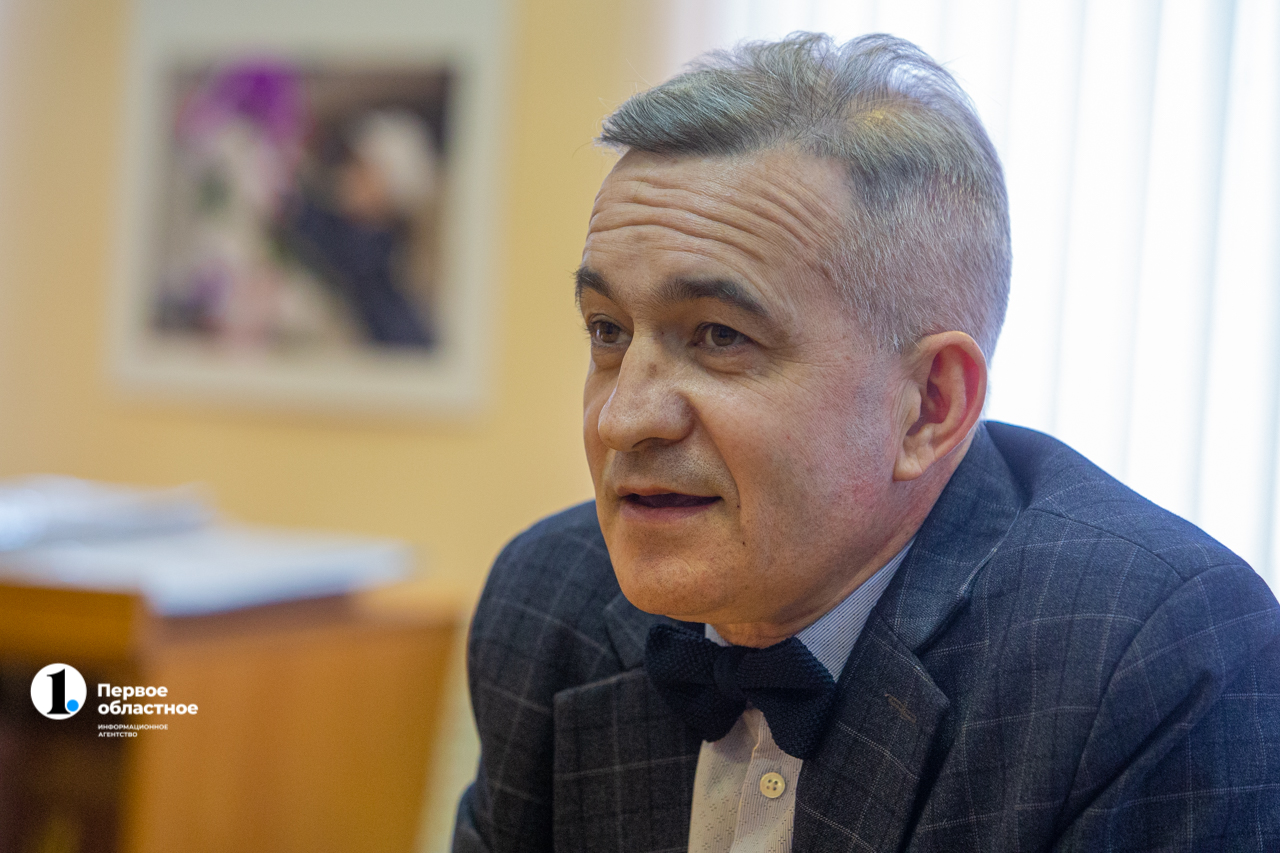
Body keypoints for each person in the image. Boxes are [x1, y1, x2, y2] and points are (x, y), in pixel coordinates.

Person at [453, 33, 1280, 852]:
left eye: (719, 336)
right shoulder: (547, 600)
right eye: (607, 329)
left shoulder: (1151, 657)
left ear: (929, 407)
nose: (622, 418)